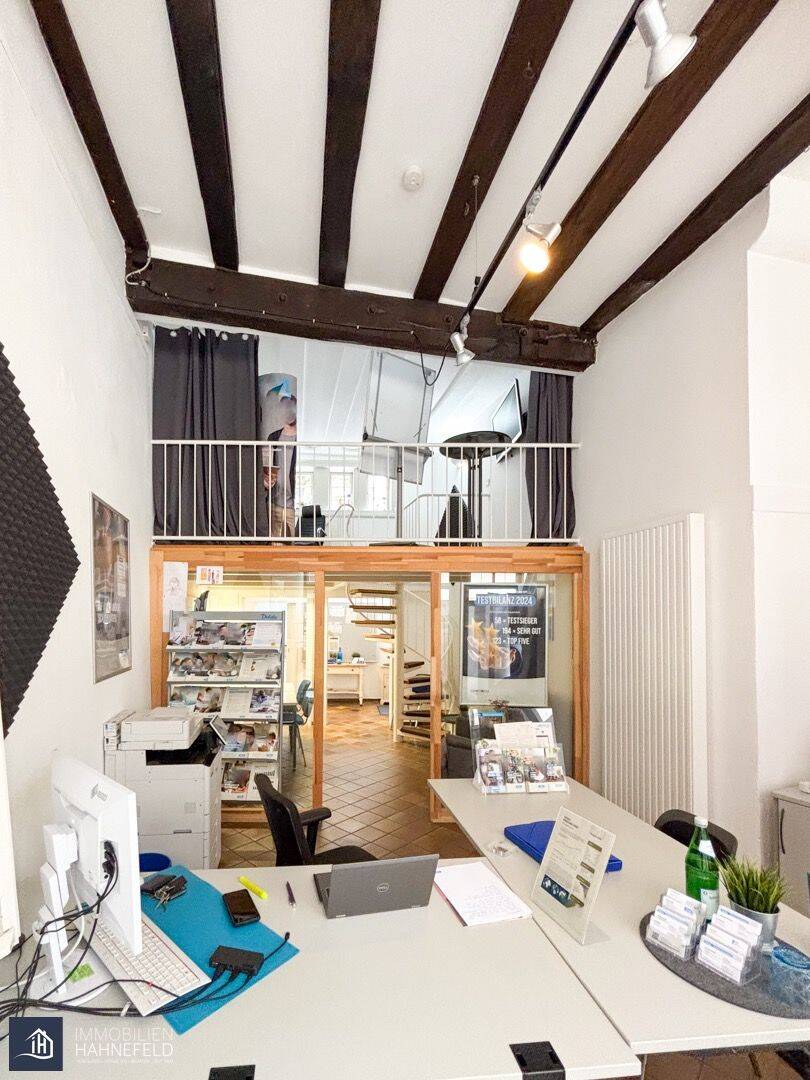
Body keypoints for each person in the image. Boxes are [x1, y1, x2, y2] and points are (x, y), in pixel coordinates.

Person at [264, 394, 297, 537]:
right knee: (274, 544)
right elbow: (265, 465)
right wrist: (266, 481)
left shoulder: (301, 438)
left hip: (294, 505)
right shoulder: (273, 437)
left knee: (295, 545)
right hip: (274, 503)